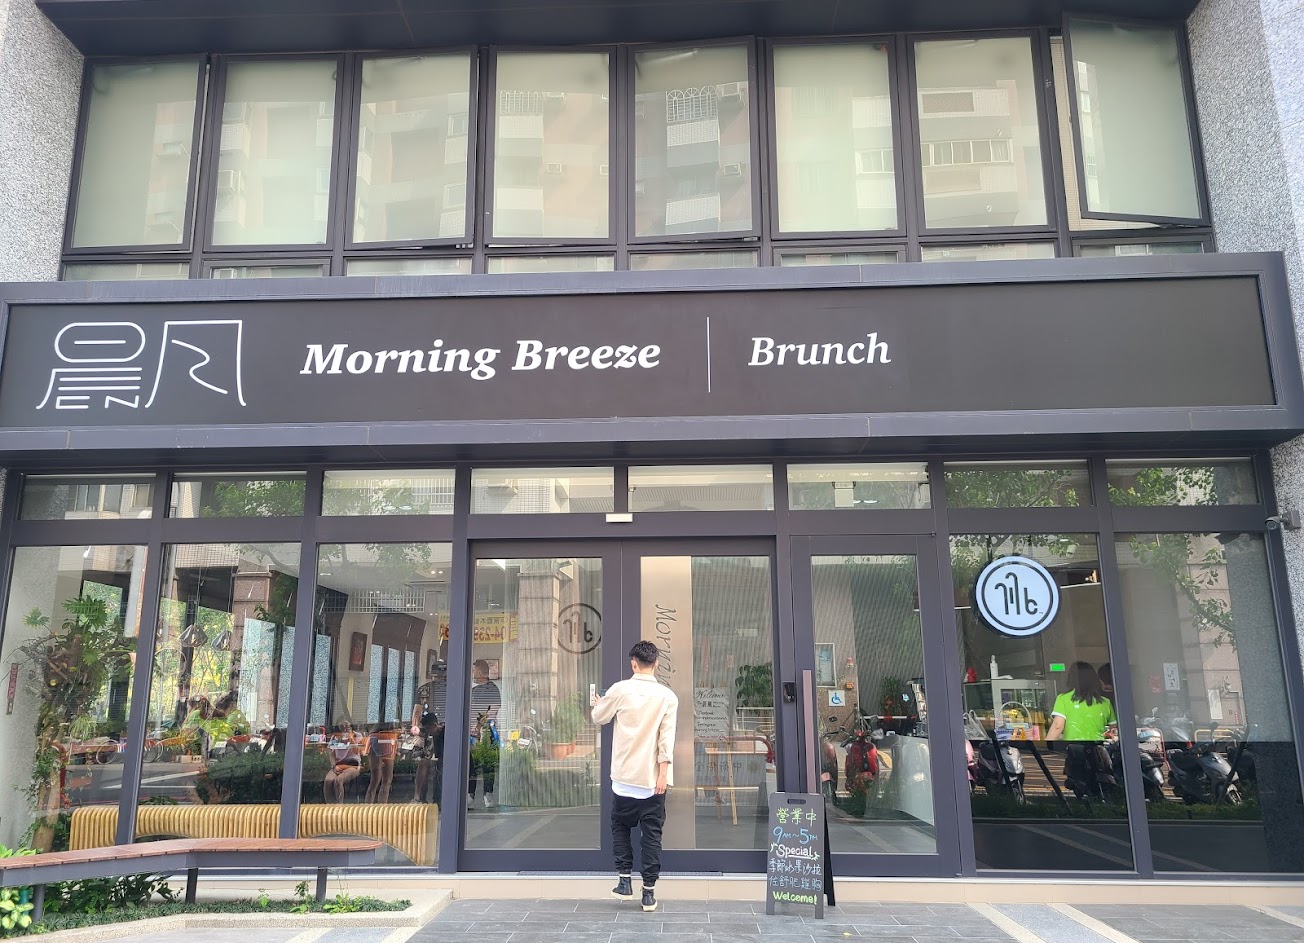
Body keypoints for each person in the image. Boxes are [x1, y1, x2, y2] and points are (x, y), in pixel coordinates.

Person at [591, 640, 678, 914]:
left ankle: (624, 881)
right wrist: (663, 774)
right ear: (656, 664)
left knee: (620, 827)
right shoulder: (668, 697)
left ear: (633, 664)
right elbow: (666, 740)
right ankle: (648, 894)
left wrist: (599, 704)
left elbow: (599, 717)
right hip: (653, 781)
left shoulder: (620, 690)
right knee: (652, 836)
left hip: (624, 779)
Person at [467, 659, 501, 809]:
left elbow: (492, 711)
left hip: (486, 732)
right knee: (471, 764)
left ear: (480, 672)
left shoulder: (492, 689)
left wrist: (479, 725)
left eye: (474, 671)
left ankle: (488, 793)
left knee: (487, 763)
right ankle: (470, 795)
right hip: (471, 733)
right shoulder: (473, 691)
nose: (473, 674)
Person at [324, 721, 364, 802]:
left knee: (339, 780)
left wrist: (351, 739)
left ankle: (340, 805)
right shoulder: (335, 737)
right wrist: (333, 766)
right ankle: (329, 805)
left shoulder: (357, 735)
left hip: (353, 765)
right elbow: (331, 754)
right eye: (342, 727)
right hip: (339, 765)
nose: (345, 729)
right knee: (328, 781)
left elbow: (357, 751)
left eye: (347, 727)